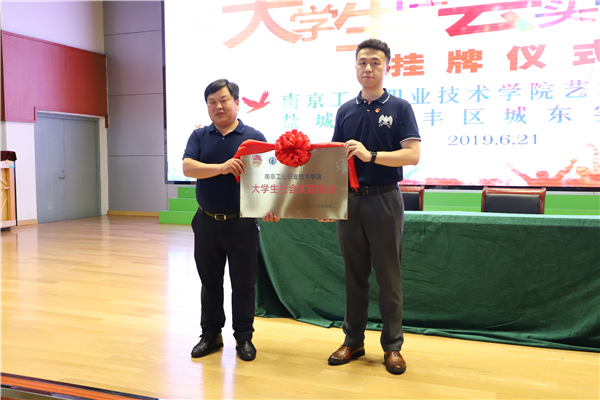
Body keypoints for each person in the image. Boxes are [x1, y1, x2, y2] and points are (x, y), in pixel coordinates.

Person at [321, 38, 421, 375]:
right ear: (355, 67)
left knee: (389, 278)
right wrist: (328, 202)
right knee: (354, 276)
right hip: (350, 202)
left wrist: (371, 156)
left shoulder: (400, 107)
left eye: (375, 62)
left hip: (384, 199)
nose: (368, 68)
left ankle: (392, 347)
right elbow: (334, 160)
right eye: (362, 62)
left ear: (387, 67)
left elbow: (412, 154)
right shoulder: (345, 111)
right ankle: (353, 341)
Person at [182, 79, 278, 362]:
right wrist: (222, 167)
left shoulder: (253, 137)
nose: (218, 106)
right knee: (210, 283)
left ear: (237, 102)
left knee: (244, 285)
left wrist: (270, 206)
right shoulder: (199, 136)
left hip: (242, 224)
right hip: (206, 222)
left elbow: (269, 176)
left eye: (224, 100)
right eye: (212, 102)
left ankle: (244, 337)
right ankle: (211, 335)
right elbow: (188, 167)